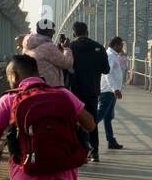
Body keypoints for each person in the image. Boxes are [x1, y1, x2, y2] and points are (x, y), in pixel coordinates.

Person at [66, 21, 109, 162]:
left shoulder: (70, 47)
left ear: (74, 33)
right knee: (92, 120)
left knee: (77, 120)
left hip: (75, 91)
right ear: (87, 31)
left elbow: (65, 67)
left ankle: (81, 150)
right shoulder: (98, 47)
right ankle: (94, 150)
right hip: (93, 90)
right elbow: (106, 70)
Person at [95, 37, 127, 154]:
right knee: (99, 116)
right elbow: (107, 74)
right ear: (116, 45)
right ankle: (86, 136)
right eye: (121, 46)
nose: (122, 48)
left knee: (108, 117)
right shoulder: (110, 56)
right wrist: (115, 89)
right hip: (108, 91)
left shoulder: (112, 55)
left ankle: (111, 140)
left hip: (110, 91)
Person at [24, 15, 73, 88]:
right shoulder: (48, 47)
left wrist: (59, 51)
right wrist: (67, 48)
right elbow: (67, 64)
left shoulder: (28, 46)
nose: (54, 32)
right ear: (48, 31)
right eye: (52, 30)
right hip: (49, 89)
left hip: (34, 87)